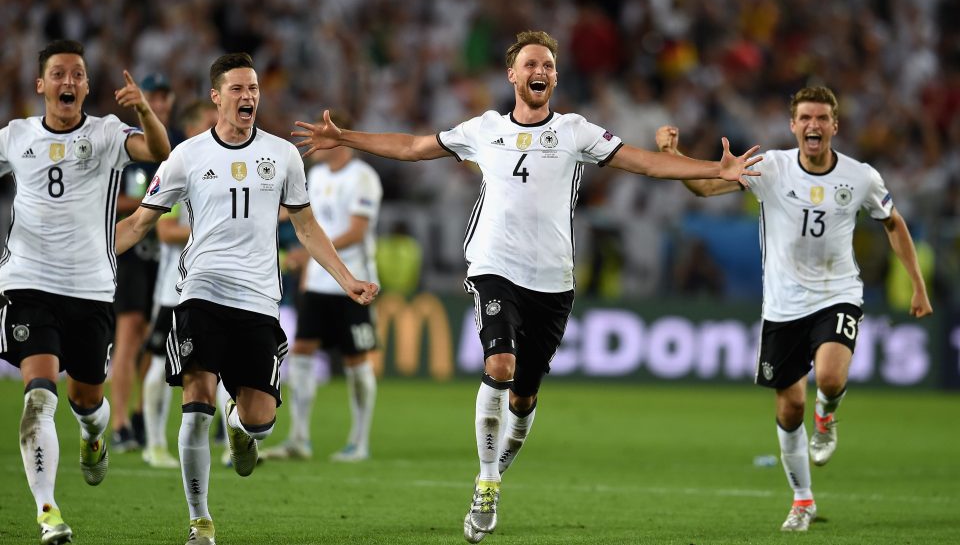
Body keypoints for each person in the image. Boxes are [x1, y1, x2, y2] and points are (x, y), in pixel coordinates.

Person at [292, 30, 761, 543]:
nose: (541, 71)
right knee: (500, 364)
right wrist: (345, 137)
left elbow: (645, 162)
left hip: (554, 280)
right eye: (531, 64)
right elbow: (410, 146)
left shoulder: (577, 132)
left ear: (554, 78)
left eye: (549, 66)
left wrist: (716, 169)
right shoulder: (483, 128)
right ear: (513, 75)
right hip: (494, 265)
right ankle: (487, 482)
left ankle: (496, 466)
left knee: (523, 399)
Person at [115, 53, 378, 545]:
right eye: (237, 89)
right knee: (196, 398)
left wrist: (347, 278)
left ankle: (241, 428)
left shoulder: (282, 155)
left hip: (259, 301)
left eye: (253, 89)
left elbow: (305, 226)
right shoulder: (186, 156)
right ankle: (200, 522)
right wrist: (90, 254)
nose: (248, 97)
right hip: (200, 294)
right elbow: (139, 222)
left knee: (259, 420)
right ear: (216, 96)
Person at [655, 85, 933, 532]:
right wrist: (675, 153)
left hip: (837, 293)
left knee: (829, 376)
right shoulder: (772, 167)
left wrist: (919, 287)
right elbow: (706, 189)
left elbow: (894, 224)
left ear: (834, 126)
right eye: (805, 118)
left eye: (822, 118)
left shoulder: (861, 177)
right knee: (788, 410)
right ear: (793, 125)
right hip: (784, 304)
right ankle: (802, 500)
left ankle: (827, 416)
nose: (813, 126)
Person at [0, 39, 170, 544]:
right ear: (40, 84)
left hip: (91, 287)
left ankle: (96, 437)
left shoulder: (107, 133)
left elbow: (160, 152)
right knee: (39, 398)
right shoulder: (15, 136)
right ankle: (47, 511)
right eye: (58, 74)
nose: (67, 82)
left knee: (86, 400)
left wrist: (143, 109)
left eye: (76, 75)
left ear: (87, 86)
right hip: (28, 283)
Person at [261, 109, 383, 464]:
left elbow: (357, 232)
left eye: (322, 135)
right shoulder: (315, 176)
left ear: (338, 136)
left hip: (352, 282)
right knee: (300, 354)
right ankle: (299, 438)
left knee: (356, 360)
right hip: (316, 284)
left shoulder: (363, 177)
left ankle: (359, 441)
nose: (315, 141)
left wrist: (307, 253)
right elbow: (296, 214)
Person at [141, 99, 218, 468]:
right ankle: (154, 442)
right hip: (174, 287)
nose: (218, 123)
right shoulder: (179, 168)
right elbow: (165, 229)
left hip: (212, 288)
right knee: (159, 363)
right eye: (209, 120)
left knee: (217, 366)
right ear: (190, 128)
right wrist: (209, 230)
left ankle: (231, 436)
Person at [111, 72, 179, 452]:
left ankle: (139, 414)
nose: (162, 102)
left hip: (166, 258)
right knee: (130, 331)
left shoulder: (179, 145)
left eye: (165, 96)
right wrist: (156, 204)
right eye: (154, 96)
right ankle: (119, 421)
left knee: (155, 340)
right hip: (134, 253)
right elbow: (119, 201)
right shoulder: (132, 151)